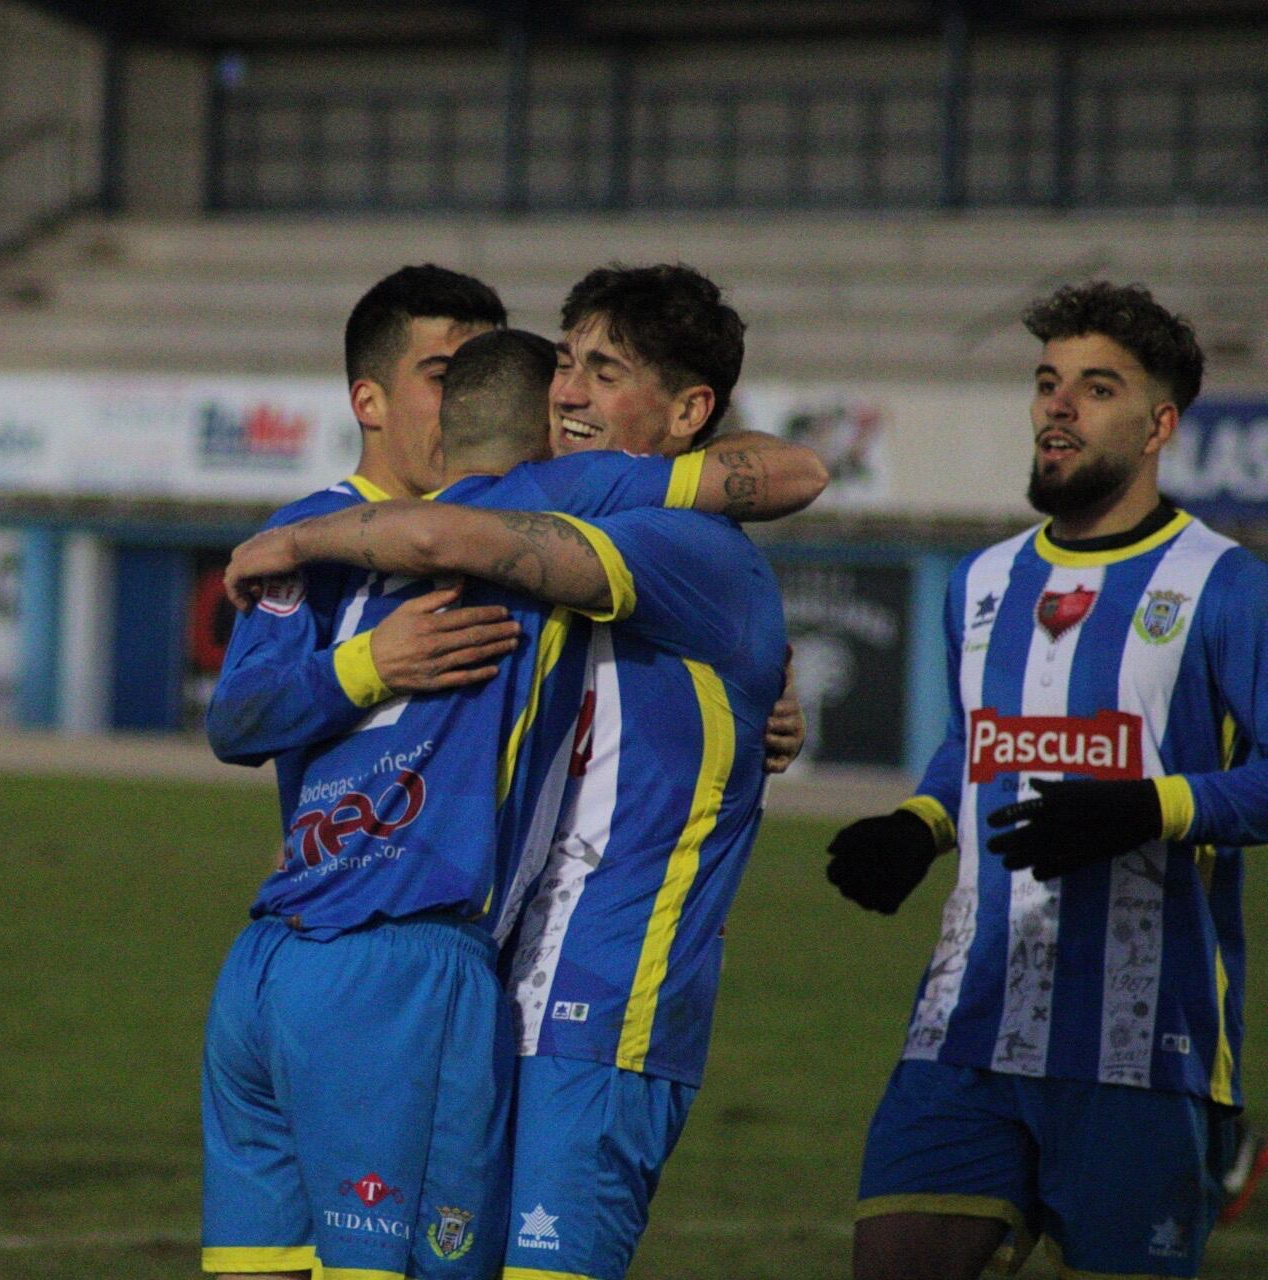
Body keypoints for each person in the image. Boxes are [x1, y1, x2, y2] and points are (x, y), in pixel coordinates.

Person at [224, 263, 802, 1279]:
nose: (566, 391)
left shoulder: (672, 541)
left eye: (601, 369)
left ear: (687, 410)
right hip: (479, 975)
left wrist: (293, 541)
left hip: (599, 1002)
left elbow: (459, 528)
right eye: (564, 362)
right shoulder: (566, 525)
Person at [825, 282, 1268, 1280]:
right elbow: (975, 744)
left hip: (1144, 1045)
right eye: (1046, 382)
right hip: (966, 1024)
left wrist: (1147, 805)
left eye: (1096, 387)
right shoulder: (980, 582)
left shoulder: (1226, 587)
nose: (1057, 406)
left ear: (1159, 424)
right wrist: (921, 821)